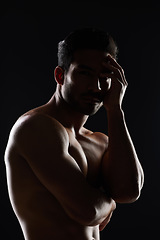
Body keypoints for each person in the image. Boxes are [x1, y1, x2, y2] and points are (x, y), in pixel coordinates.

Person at [4, 28, 144, 240]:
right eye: (85, 73)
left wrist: (115, 110)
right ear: (61, 75)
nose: (95, 86)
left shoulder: (99, 140)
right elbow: (87, 211)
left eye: (104, 76)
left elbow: (129, 191)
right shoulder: (35, 128)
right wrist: (111, 201)